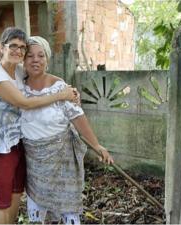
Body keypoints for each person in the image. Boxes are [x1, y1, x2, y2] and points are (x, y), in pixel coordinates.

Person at [0, 27, 78, 224]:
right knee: (1, 203)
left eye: (22, 47)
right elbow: (25, 103)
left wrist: (67, 88)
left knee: (16, 194)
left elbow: (41, 73)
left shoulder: (17, 71)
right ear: (2, 48)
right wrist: (61, 95)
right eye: (13, 46)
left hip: (17, 143)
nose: (18, 51)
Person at [20, 36, 114, 224]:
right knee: (38, 210)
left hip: (62, 158)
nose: (35, 60)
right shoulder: (18, 87)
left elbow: (78, 117)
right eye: (30, 56)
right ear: (23, 60)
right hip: (33, 162)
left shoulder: (60, 87)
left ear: (47, 60)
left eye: (41, 55)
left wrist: (97, 146)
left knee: (67, 208)